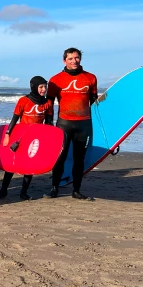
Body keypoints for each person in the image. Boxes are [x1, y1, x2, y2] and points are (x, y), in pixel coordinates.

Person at [45, 47, 98, 200]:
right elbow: (49, 105)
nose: (74, 61)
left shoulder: (91, 78)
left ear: (80, 59)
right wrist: (48, 124)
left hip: (84, 124)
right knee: (59, 157)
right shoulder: (55, 80)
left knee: (79, 159)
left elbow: (95, 104)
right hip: (64, 124)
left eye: (77, 58)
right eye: (70, 58)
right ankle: (54, 188)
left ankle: (76, 190)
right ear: (64, 61)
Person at [0, 76, 53, 200]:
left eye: (45, 87)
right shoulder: (23, 101)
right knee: (12, 164)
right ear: (34, 87)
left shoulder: (48, 103)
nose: (43, 89)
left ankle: (24, 192)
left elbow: (49, 123)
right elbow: (14, 119)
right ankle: (3, 190)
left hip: (36, 138)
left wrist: (48, 139)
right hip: (21, 137)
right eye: (41, 87)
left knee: (29, 165)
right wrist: (7, 134)